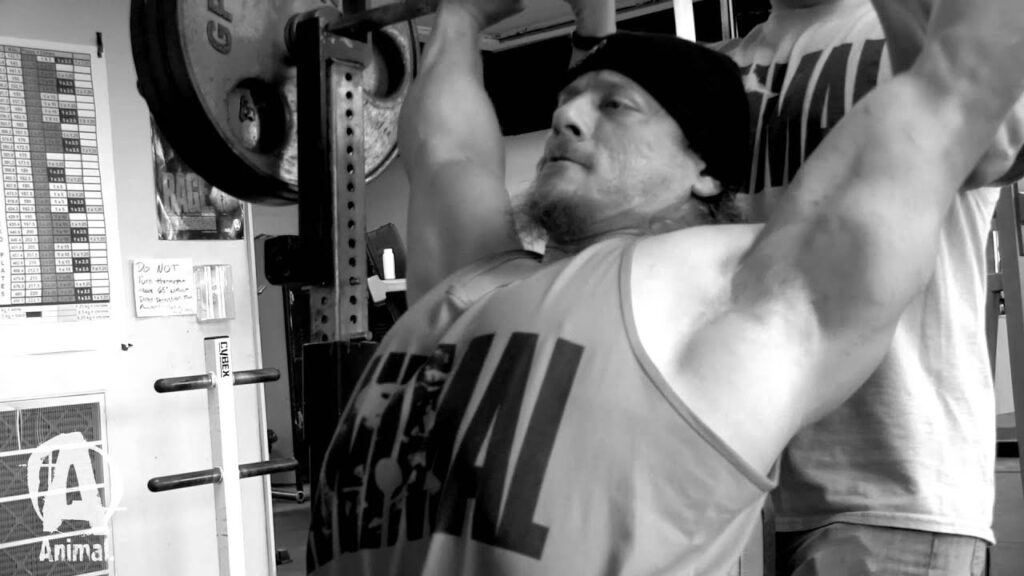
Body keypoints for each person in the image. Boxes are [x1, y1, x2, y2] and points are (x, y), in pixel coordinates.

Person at [306, 0, 1024, 573]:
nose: (564, 118)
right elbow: (449, 153)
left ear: (704, 170)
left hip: (883, 488)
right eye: (568, 100)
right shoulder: (477, 276)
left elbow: (960, 90)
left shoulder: (728, 301)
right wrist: (463, 16)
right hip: (766, 492)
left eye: (616, 106)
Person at [570, 0, 1024, 573]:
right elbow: (594, 175)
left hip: (888, 484)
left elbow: (994, 146)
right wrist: (593, 24)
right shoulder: (715, 67)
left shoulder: (920, 30)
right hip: (718, 489)